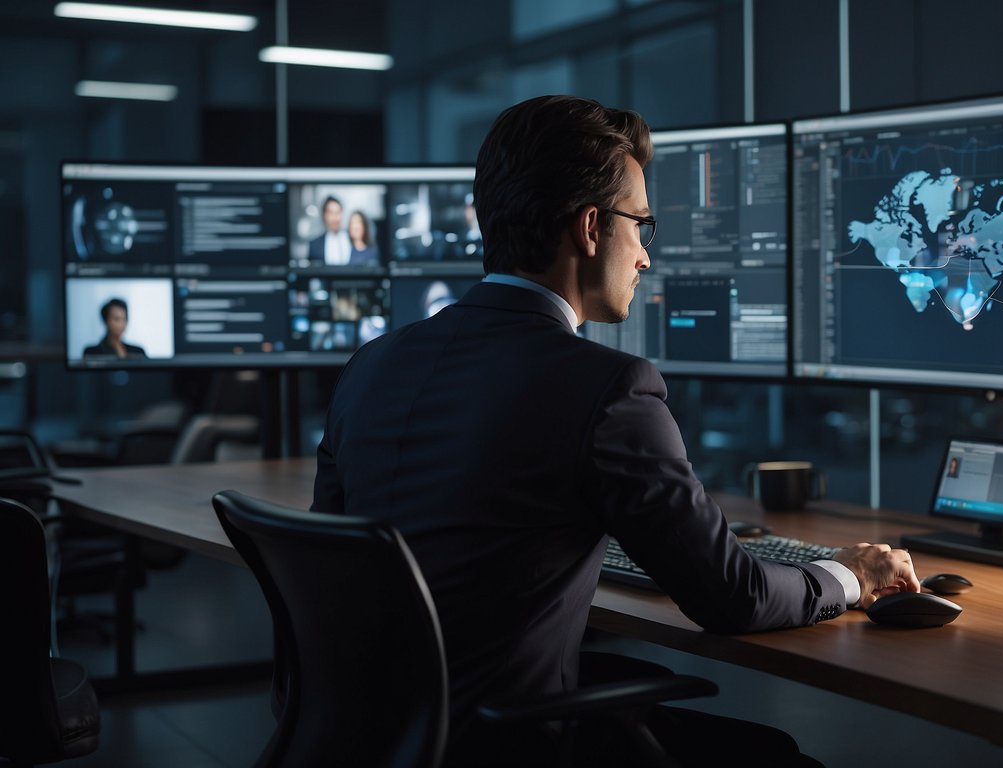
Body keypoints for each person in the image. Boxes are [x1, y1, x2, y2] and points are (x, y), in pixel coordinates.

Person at [312, 95, 919, 767]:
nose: (646, 258)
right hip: (511, 745)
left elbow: (337, 575)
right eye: (643, 227)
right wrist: (850, 575)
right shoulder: (606, 387)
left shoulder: (372, 365)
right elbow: (733, 597)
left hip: (373, 741)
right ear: (592, 227)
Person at [83, 298, 147, 359]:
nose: (122, 324)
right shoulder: (93, 353)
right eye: (117, 319)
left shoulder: (138, 352)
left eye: (124, 319)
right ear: (106, 321)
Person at [308, 195, 351, 265]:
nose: (335, 218)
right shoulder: (314, 245)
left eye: (338, 212)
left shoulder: (353, 239)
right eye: (331, 213)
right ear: (324, 215)